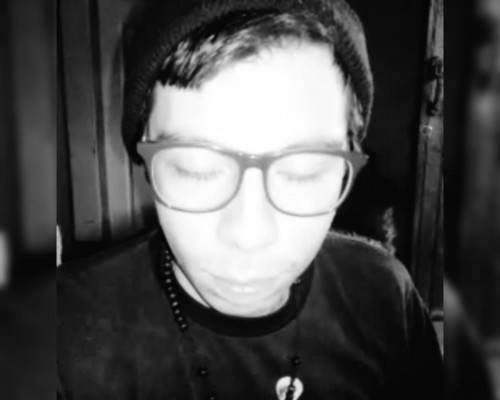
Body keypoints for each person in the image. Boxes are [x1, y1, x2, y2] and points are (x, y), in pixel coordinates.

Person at [58, 1, 443, 399]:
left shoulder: (385, 298)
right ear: (145, 155)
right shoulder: (59, 335)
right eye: (196, 169)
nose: (249, 235)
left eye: (303, 172)